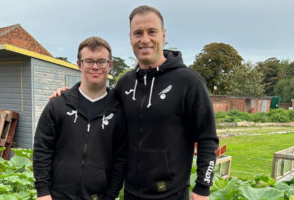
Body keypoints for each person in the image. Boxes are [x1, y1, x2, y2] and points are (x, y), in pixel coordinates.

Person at [51, 5, 219, 200]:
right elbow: (98, 98)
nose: (145, 39)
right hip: (131, 193)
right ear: (130, 38)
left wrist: (203, 188)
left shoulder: (189, 82)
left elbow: (208, 138)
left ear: (163, 36)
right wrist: (69, 95)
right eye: (138, 33)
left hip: (171, 194)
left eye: (152, 32)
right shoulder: (125, 83)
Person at [33, 36, 127, 200]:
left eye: (101, 61)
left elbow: (121, 159)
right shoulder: (58, 106)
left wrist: (111, 196)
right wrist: (42, 192)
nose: (95, 67)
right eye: (89, 61)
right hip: (56, 196)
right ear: (79, 64)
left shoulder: (119, 111)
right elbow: (42, 149)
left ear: (110, 65)